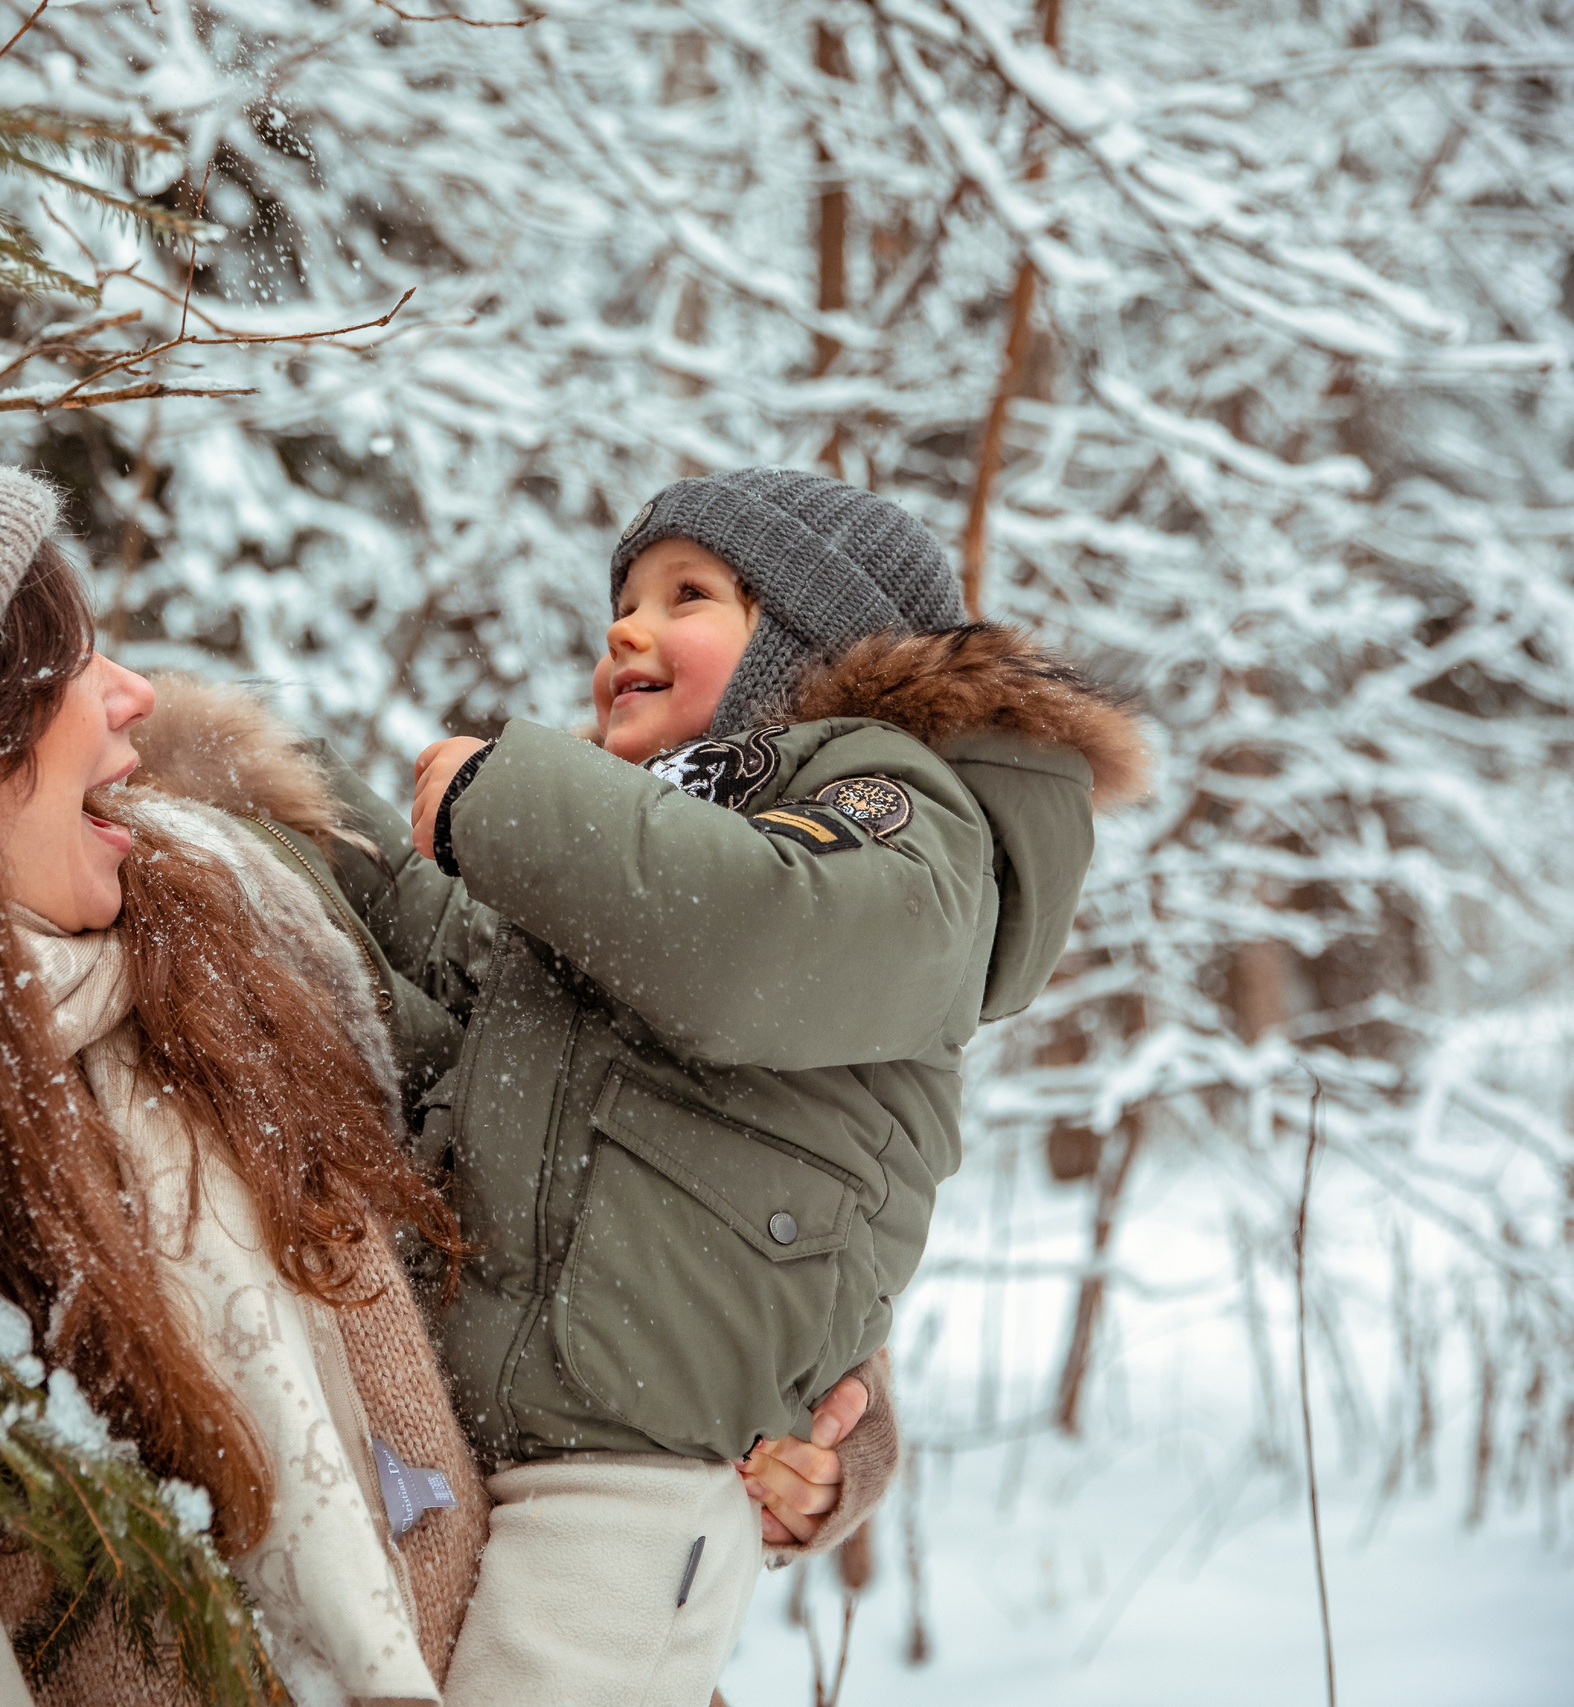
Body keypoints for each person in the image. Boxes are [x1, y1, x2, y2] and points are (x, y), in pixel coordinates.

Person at [0, 425, 886, 1707]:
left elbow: (607, 1147)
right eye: (62, 668)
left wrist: (808, 1420)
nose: (134, 696)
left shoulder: (260, 909)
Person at [319, 469, 1150, 1706]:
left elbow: (760, 939)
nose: (625, 631)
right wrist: (283, 801)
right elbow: (445, 977)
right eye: (622, 604)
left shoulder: (887, 807)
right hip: (475, 1422)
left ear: (810, 646)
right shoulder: (627, 870)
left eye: (686, 597)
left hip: (627, 1470)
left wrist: (509, 804)